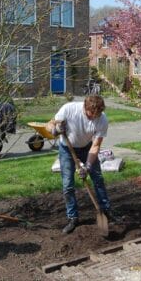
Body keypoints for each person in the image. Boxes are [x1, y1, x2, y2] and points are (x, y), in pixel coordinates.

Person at [47, 95, 116, 234]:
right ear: (85, 107)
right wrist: (54, 129)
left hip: (87, 147)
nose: (93, 118)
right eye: (91, 115)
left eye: (97, 115)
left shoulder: (102, 119)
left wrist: (88, 167)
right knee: (68, 184)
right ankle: (73, 217)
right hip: (67, 148)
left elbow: (96, 146)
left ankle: (106, 210)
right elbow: (49, 124)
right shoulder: (69, 109)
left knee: (98, 178)